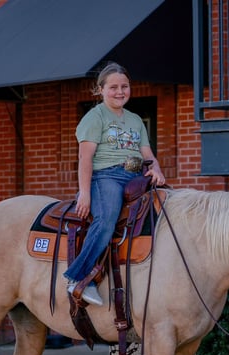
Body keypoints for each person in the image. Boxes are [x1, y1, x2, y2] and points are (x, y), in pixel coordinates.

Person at [64, 62, 166, 306]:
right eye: (113, 87)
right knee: (106, 219)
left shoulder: (135, 120)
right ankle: (78, 277)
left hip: (136, 177)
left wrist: (157, 170)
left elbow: (147, 154)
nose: (120, 92)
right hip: (106, 176)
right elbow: (85, 158)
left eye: (124, 86)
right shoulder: (95, 117)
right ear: (100, 89)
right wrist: (85, 193)